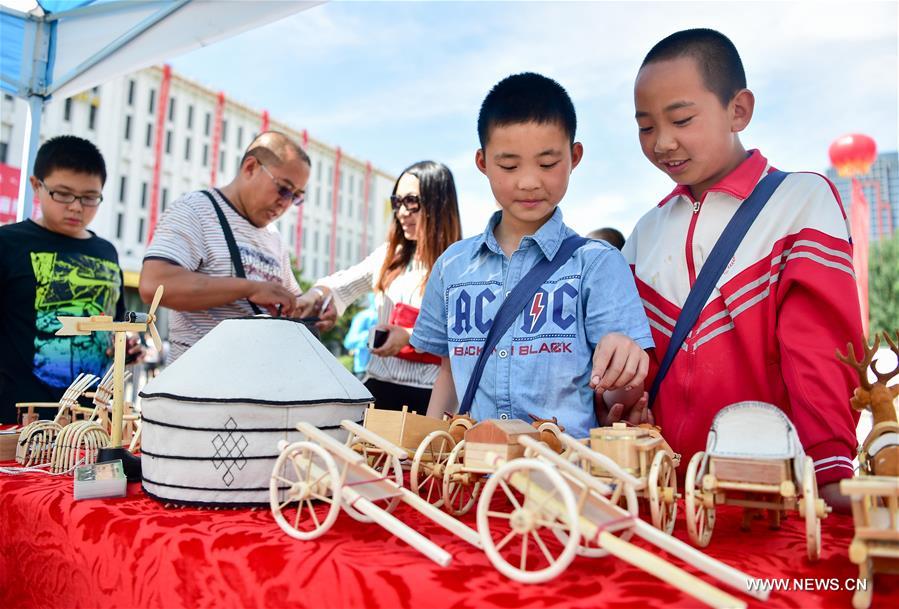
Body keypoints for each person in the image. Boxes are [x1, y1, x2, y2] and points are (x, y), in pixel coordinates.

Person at [619, 28, 862, 511]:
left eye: (681, 119)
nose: (663, 142)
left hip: (776, 488)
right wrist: (620, 405)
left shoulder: (799, 203)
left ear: (739, 110)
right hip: (667, 495)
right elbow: (635, 364)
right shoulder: (645, 232)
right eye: (646, 127)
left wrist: (829, 464)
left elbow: (819, 349)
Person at [410, 73, 653, 439]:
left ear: (574, 157)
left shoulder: (598, 264)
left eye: (547, 163)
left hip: (565, 466)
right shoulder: (451, 267)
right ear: (482, 162)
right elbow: (448, 373)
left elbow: (619, 398)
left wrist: (624, 362)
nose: (528, 182)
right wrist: (427, 449)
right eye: (509, 166)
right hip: (471, 463)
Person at [295, 161, 462, 412]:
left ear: (439, 204)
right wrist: (312, 297)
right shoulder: (390, 255)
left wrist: (408, 336)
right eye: (397, 202)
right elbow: (342, 284)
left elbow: (467, 337)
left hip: (433, 397)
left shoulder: (461, 263)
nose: (402, 212)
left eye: (411, 202)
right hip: (379, 390)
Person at [140, 131, 319, 361]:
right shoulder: (195, 210)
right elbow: (154, 284)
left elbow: (291, 301)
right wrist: (250, 289)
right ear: (250, 167)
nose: (286, 203)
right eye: (283, 188)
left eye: (296, 197)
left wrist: (312, 309)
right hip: (202, 380)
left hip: (260, 377)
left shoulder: (274, 237)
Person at [0, 136, 133, 423]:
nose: (76, 207)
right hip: (18, 418)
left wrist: (125, 348)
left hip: (93, 420)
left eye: (89, 197)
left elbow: (112, 326)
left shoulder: (107, 252)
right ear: (36, 186)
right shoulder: (7, 244)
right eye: (63, 194)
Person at [343, 293, 378, 378]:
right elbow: (349, 342)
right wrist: (372, 335)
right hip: (364, 370)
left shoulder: (392, 314)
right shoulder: (364, 316)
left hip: (387, 372)